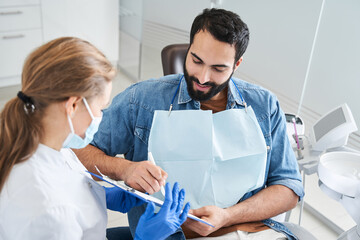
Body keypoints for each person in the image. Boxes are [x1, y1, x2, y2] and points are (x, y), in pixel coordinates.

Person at [74, 8, 304, 240]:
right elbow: (77, 150)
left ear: (237, 64)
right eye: (196, 60)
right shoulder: (141, 100)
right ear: (189, 48)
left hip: (246, 231)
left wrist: (227, 216)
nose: (203, 77)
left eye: (218, 68)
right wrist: (124, 169)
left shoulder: (263, 106)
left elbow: (289, 187)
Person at [0, 37, 190, 240]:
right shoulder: (52, 214)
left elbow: (67, 180)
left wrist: (102, 194)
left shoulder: (48, 144)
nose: (101, 116)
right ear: (72, 106)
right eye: (100, 107)